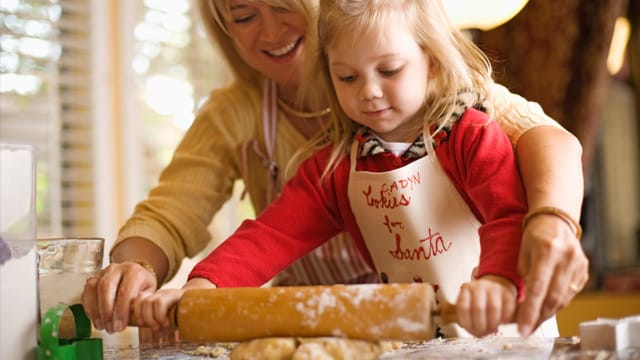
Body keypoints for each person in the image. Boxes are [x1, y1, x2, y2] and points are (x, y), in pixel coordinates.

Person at [82, 0, 587, 338]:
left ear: (430, 64)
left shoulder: (470, 130)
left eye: (388, 71)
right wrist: (202, 289)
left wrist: (501, 283)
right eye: (347, 77)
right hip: (389, 335)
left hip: (497, 325)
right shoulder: (339, 162)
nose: (368, 91)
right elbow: (272, 233)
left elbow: (509, 211)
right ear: (331, 74)